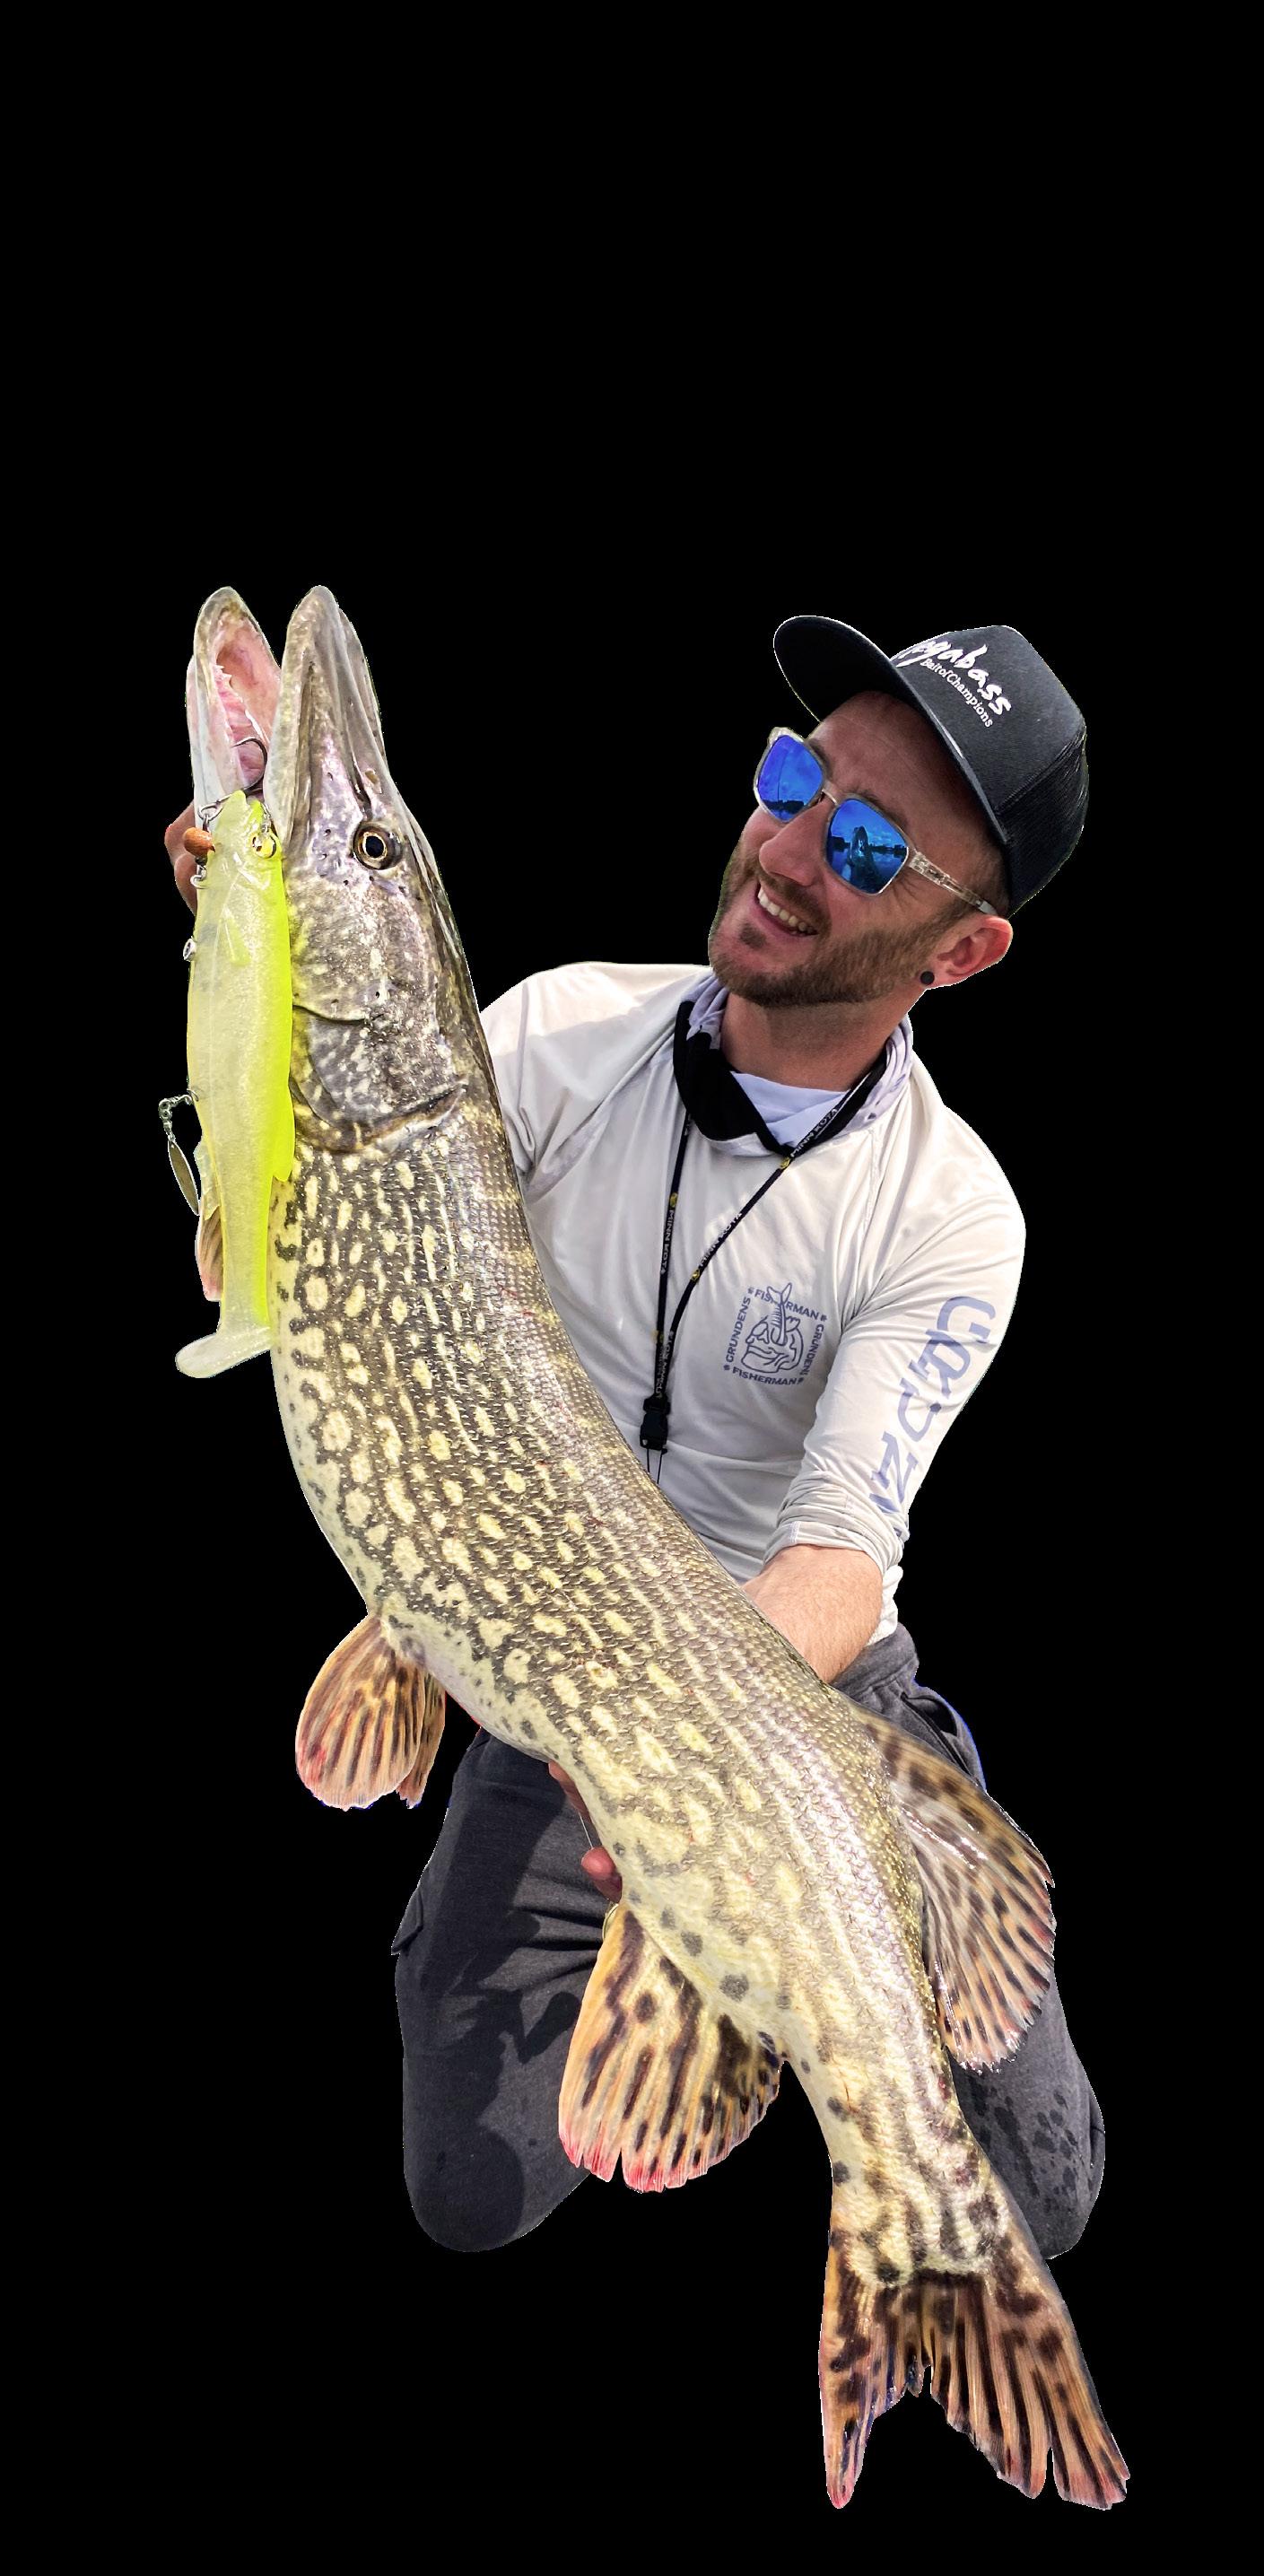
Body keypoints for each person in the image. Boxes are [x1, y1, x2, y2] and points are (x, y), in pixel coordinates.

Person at [166, 612, 1106, 2266]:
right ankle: (688, 1956)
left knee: (1041, 2190)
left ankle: (758, 1962)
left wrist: (702, 1772)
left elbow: (838, 1556)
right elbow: (268, 1258)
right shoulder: (552, 1035)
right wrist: (236, 975)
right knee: (472, 2191)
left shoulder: (952, 1214)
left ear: (961, 954)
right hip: (538, 1653)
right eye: (797, 781)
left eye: (869, 850)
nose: (792, 851)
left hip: (788, 1681)